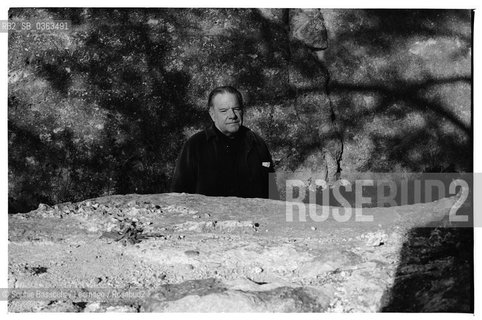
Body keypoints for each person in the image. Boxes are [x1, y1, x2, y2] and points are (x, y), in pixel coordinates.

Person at [171, 86, 275, 198]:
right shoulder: (195, 146)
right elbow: (179, 196)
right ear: (212, 114)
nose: (232, 116)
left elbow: (272, 193)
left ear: (242, 110)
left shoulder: (257, 143)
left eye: (236, 109)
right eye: (224, 110)